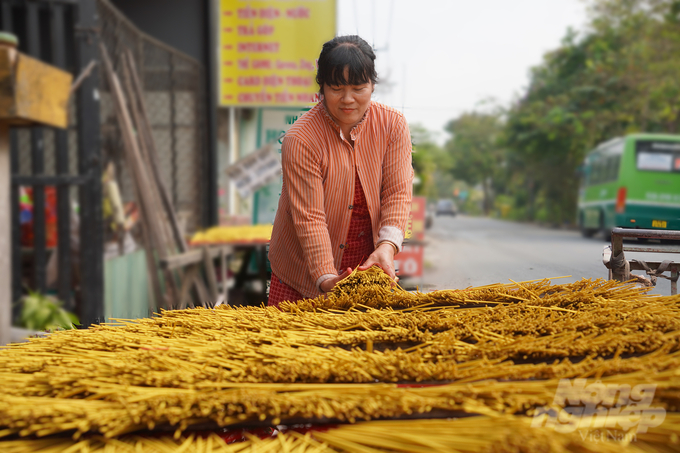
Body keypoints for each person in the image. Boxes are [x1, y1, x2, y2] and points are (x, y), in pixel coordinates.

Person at [267, 35, 413, 307]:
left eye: (358, 88)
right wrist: (325, 276)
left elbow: (398, 192)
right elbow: (309, 216)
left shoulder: (393, 125)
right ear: (321, 88)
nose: (348, 100)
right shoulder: (301, 139)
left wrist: (387, 247)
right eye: (336, 88)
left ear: (372, 85)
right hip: (301, 270)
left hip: (367, 267)